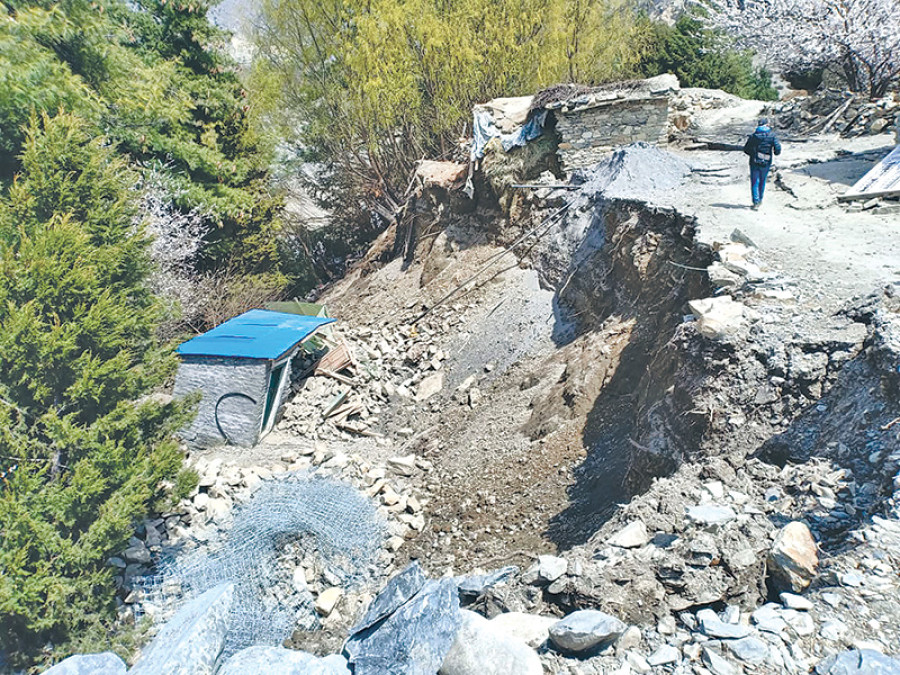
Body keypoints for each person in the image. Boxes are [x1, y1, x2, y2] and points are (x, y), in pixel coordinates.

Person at [743, 117, 781, 210]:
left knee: (755, 181)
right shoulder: (772, 136)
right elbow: (778, 149)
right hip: (766, 161)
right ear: (767, 124)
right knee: (762, 180)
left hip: (754, 161)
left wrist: (753, 154)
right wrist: (775, 153)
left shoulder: (753, 136)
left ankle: (755, 202)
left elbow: (746, 149)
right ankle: (760, 199)